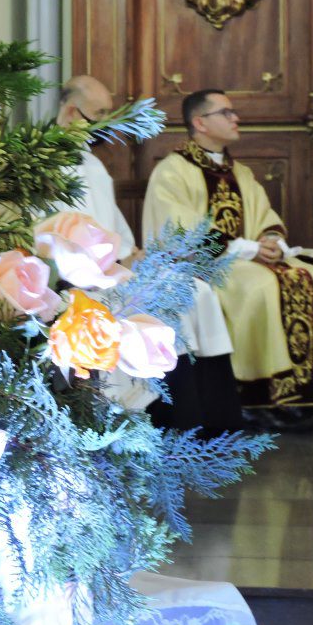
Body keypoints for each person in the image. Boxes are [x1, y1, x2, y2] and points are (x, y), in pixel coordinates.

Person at [142, 89, 313, 430]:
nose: (235, 118)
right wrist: (245, 250)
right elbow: (179, 230)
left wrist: (271, 241)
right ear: (199, 122)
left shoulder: (239, 172)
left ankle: (308, 393)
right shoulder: (173, 171)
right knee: (259, 287)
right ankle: (256, 398)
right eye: (226, 113)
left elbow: (265, 216)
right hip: (201, 267)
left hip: (246, 260)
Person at [57, 76, 242, 436]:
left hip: (110, 271)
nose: (107, 123)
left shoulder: (93, 167)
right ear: (69, 112)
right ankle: (171, 420)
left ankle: (216, 419)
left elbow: (117, 235)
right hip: (76, 281)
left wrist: (130, 255)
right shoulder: (45, 168)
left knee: (195, 291)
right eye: (99, 114)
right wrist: (112, 263)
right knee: (159, 304)